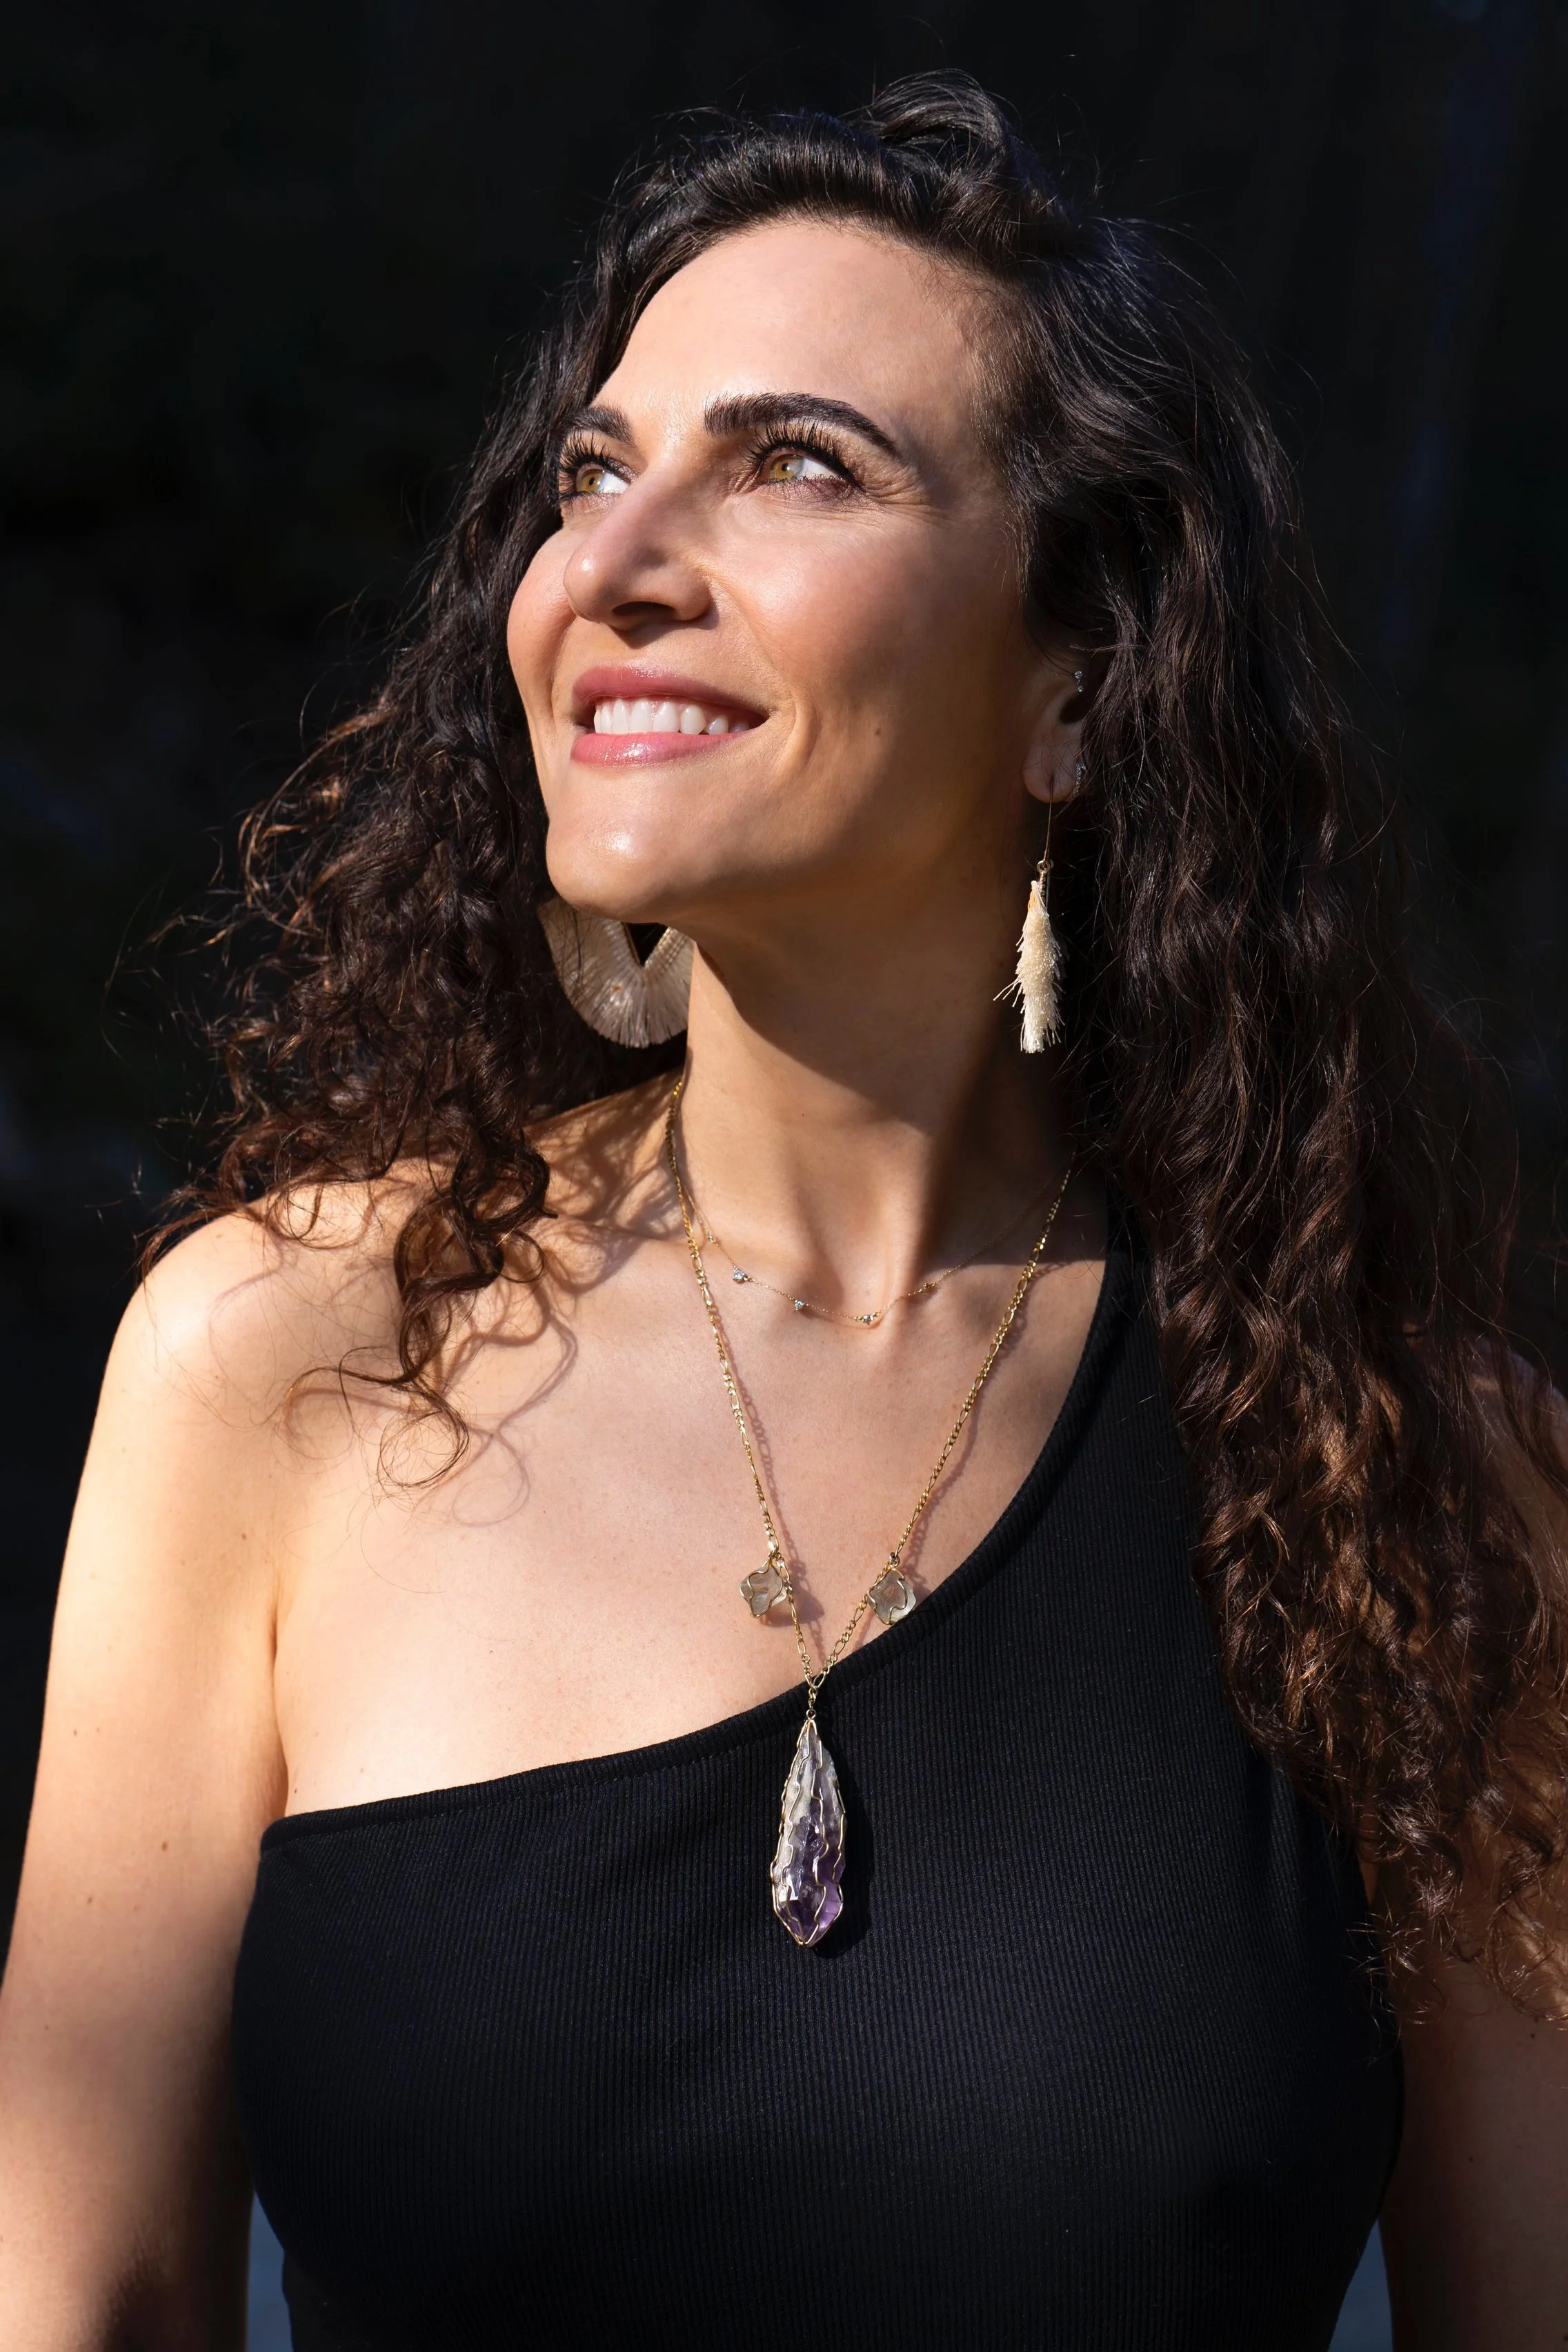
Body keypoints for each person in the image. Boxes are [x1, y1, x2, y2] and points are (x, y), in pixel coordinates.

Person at [1, 74, 1565, 2352]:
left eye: (797, 462)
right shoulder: (281, 1360)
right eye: (591, 472)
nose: (613, 565)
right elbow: (91, 2295)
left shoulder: (1434, 1497)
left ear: (1077, 690)